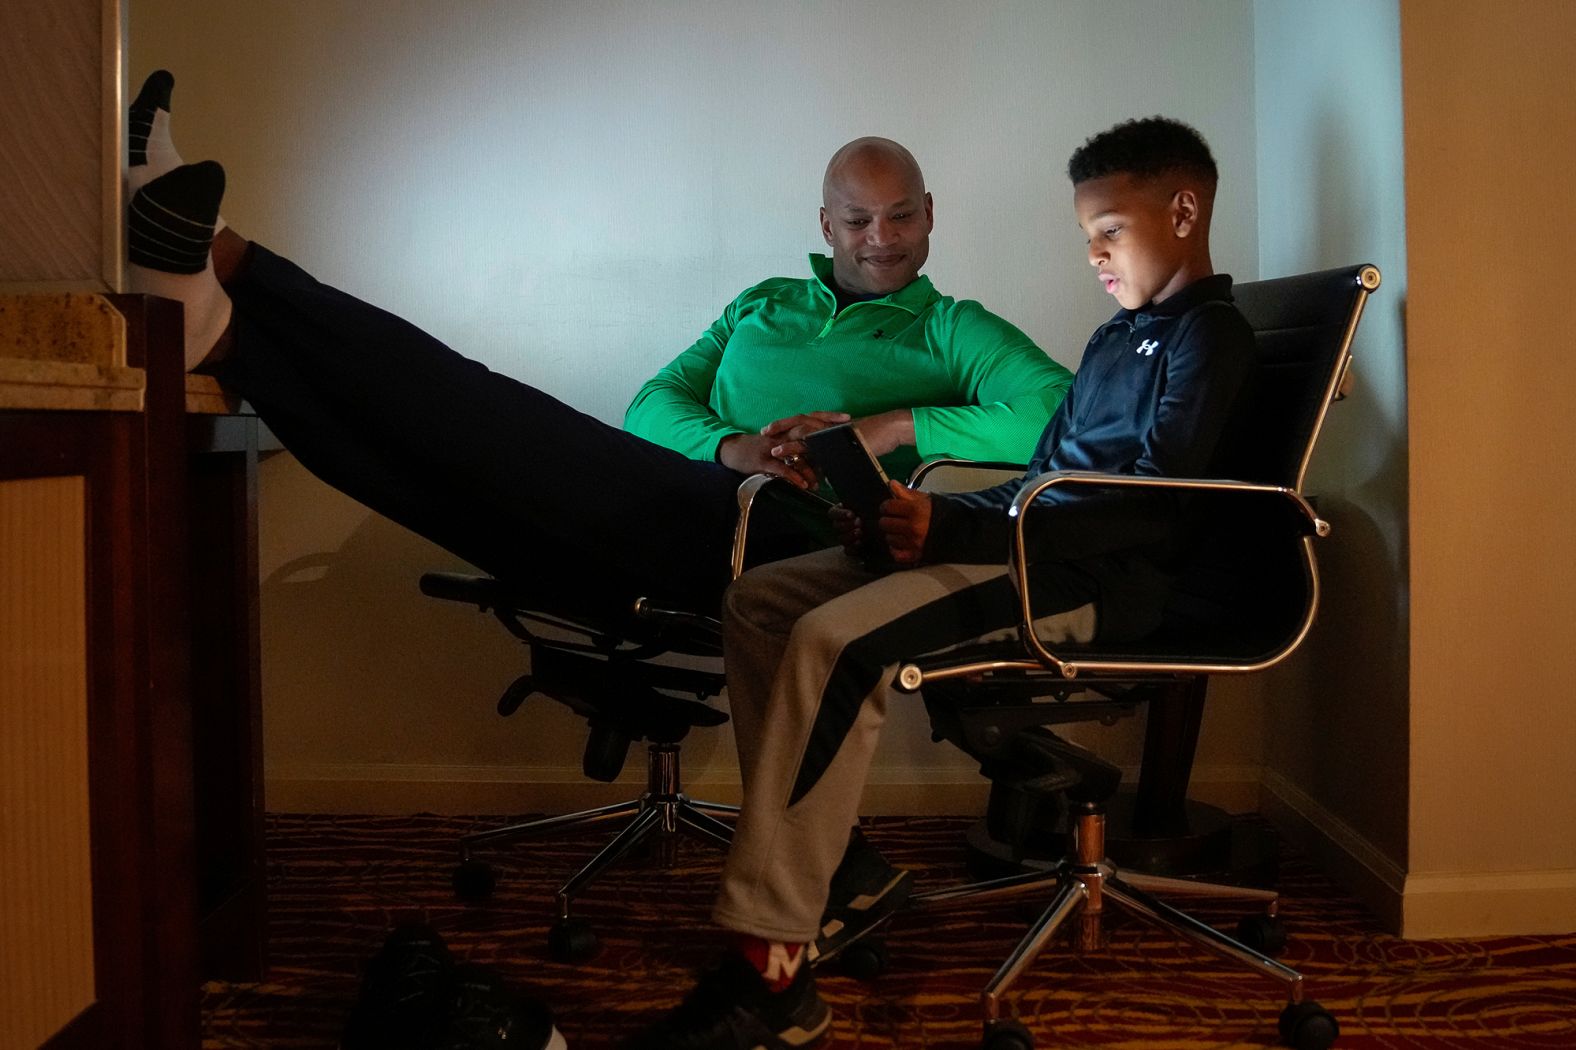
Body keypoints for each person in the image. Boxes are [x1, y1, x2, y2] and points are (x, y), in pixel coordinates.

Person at [626, 116, 1255, 1049]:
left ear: (1185, 209)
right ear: (827, 227)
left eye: (1109, 232)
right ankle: (828, 869)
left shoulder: (1210, 339)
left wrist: (953, 518)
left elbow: (1152, 510)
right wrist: (902, 522)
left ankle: (773, 970)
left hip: (1093, 582)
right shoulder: (1121, 339)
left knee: (838, 644)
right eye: (1087, 237)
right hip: (1032, 549)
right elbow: (1047, 473)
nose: (1093, 255)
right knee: (759, 603)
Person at [123, 71, 1073, 625]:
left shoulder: (955, 330)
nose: (883, 238)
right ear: (826, 223)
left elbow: (1060, 414)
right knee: (435, 467)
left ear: (931, 216)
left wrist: (886, 427)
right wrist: (738, 448)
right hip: (695, 498)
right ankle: (223, 322)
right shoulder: (763, 304)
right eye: (860, 219)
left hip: (792, 543)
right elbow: (653, 406)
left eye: (903, 216)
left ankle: (227, 266)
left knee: (475, 420)